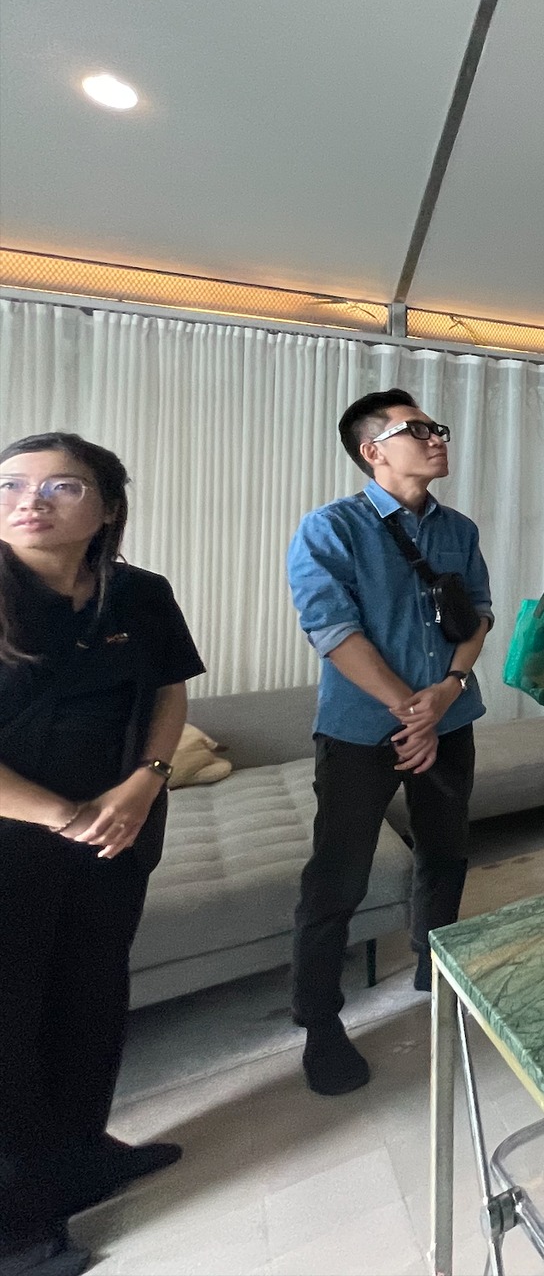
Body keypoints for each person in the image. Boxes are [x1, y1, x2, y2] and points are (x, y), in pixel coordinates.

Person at [0, 434, 203, 1276]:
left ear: (108, 508)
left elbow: (168, 691)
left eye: (62, 486)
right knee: (9, 1021)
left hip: (119, 831)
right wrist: (63, 815)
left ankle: (84, 1153)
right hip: (16, 839)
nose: (32, 499)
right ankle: (16, 1230)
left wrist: (147, 781)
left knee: (91, 995)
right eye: (12, 484)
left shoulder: (140, 594)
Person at [286, 389, 493, 1097]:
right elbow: (332, 630)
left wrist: (448, 692)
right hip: (361, 731)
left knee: (446, 852)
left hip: (450, 719)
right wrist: (411, 711)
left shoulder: (458, 530)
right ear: (372, 450)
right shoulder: (330, 529)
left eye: (438, 427)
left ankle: (436, 969)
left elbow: (478, 616)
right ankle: (320, 1022)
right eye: (418, 429)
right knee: (337, 876)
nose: (437, 438)